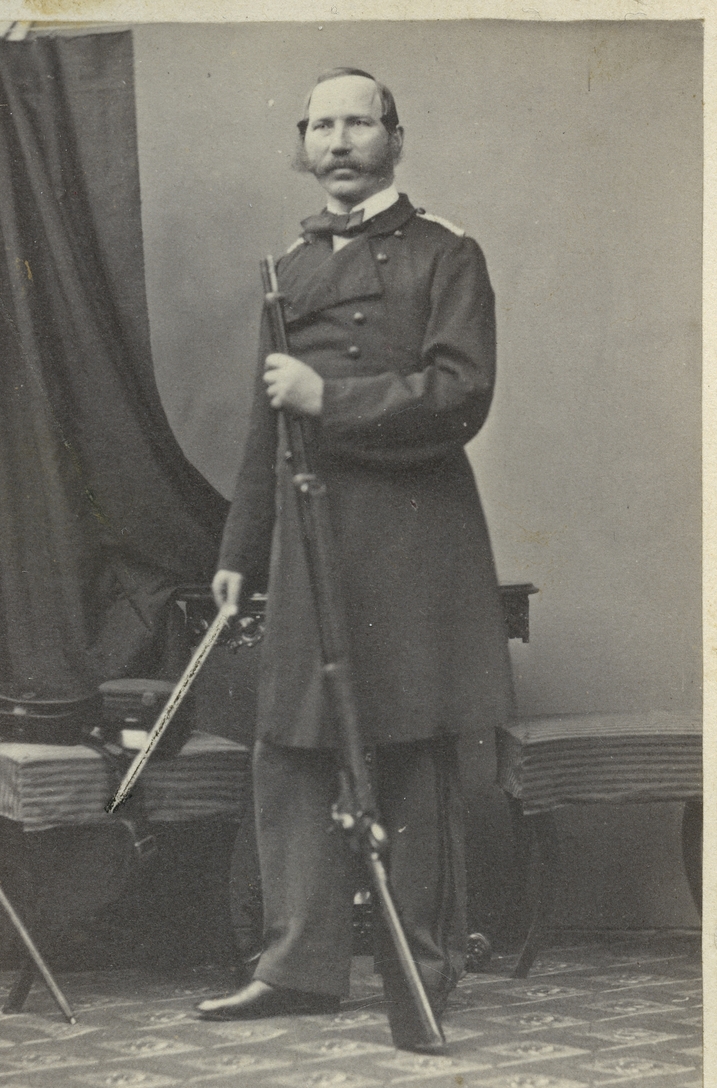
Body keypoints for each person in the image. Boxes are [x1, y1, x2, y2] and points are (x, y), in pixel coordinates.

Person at [196, 68, 514, 1037]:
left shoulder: (446, 254)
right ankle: (297, 966)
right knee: (291, 747)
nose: (338, 142)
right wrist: (240, 549)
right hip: (308, 535)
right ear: (303, 141)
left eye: (358, 124)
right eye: (321, 125)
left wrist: (329, 398)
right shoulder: (290, 265)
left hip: (412, 535)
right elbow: (267, 421)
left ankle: (422, 970)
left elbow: (461, 394)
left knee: (411, 749)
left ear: (394, 139)